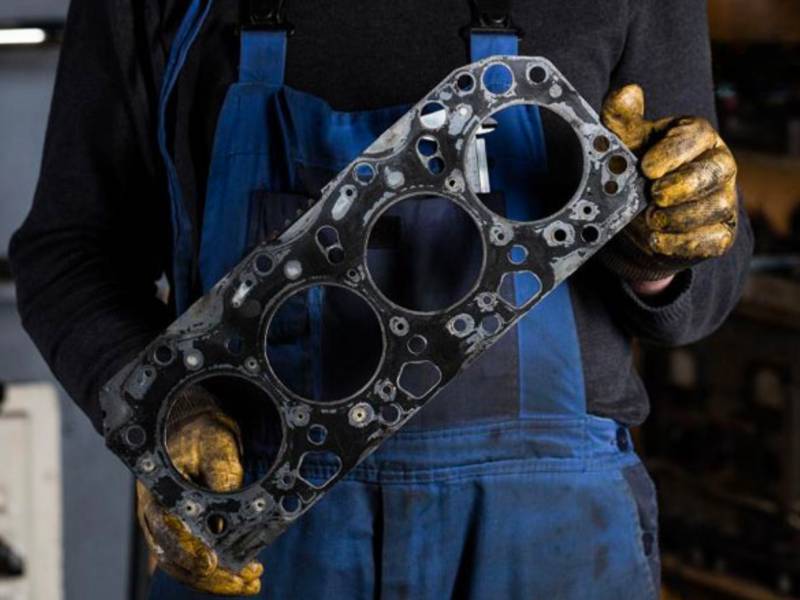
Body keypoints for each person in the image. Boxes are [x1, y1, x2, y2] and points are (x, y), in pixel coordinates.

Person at [9, 0, 752, 598]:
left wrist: (658, 250)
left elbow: (703, 294)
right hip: (263, 515)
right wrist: (166, 409)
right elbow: (69, 248)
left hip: (544, 541)